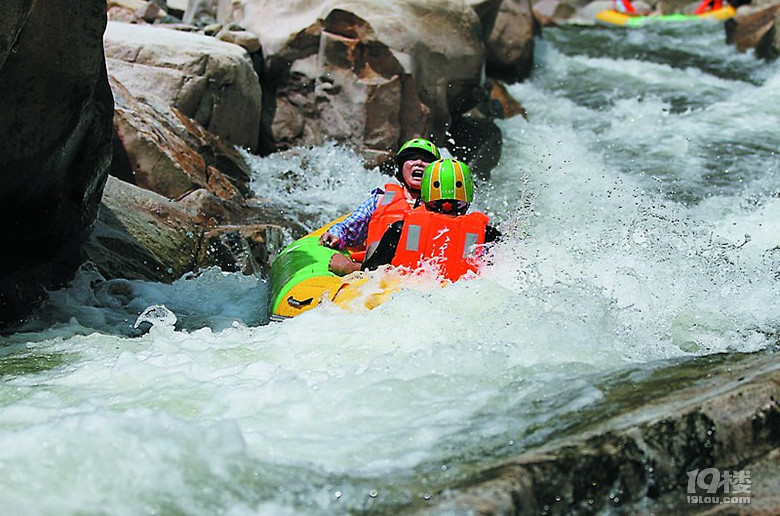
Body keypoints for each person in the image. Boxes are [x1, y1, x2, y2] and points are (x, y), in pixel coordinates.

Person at [332, 158, 500, 281]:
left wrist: (347, 266)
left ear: (425, 197)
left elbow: (371, 273)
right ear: (467, 201)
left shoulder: (400, 229)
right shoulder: (487, 235)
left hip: (406, 300)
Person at [320, 138, 441, 273]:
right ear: (400, 168)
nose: (419, 163)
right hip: (375, 273)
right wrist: (336, 234)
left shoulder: (443, 206)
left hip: (420, 275)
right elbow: (349, 229)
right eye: (412, 158)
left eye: (426, 160)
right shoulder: (380, 199)